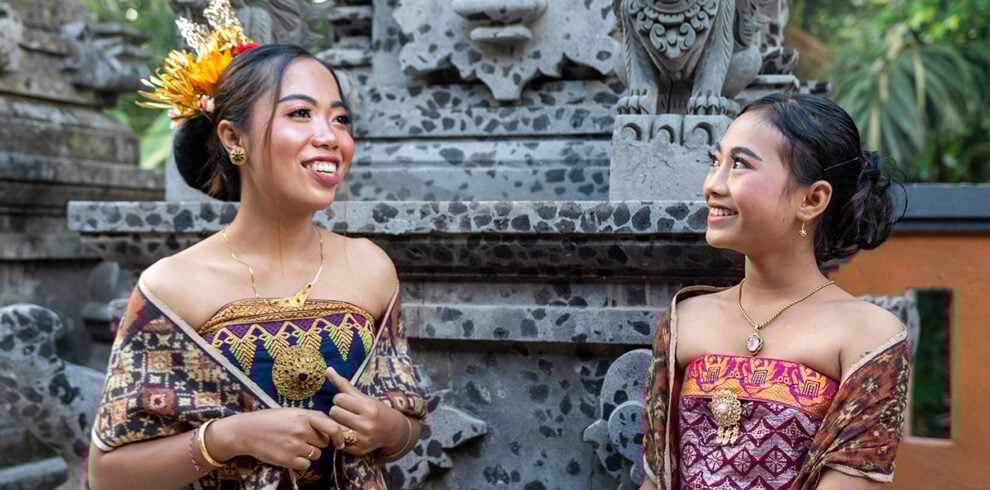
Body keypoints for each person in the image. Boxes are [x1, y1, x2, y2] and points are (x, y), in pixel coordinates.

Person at [87, 2, 424, 488]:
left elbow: (405, 423)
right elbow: (107, 475)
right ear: (233, 137)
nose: (330, 137)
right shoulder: (173, 286)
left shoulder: (371, 267)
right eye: (301, 113)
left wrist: (389, 428)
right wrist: (229, 437)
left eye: (340, 119)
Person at [640, 93, 910, 490]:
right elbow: (656, 479)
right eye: (716, 161)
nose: (711, 185)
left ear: (812, 199)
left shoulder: (869, 337)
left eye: (740, 164)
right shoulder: (686, 319)